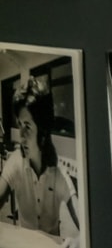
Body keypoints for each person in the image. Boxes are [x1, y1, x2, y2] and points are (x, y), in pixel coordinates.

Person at [0, 78, 80, 243]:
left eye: (27, 127)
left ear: (42, 131)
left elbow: (87, 226)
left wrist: (78, 241)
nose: (21, 136)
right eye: (19, 125)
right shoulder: (15, 162)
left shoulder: (59, 172)